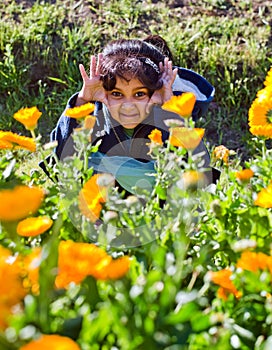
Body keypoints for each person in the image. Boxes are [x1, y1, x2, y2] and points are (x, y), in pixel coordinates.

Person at [41, 35, 217, 195]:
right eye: (117, 94)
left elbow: (200, 170)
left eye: (139, 94)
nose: (128, 106)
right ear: (103, 91)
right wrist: (82, 100)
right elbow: (61, 162)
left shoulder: (167, 116)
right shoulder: (93, 117)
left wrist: (170, 108)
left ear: (155, 91)